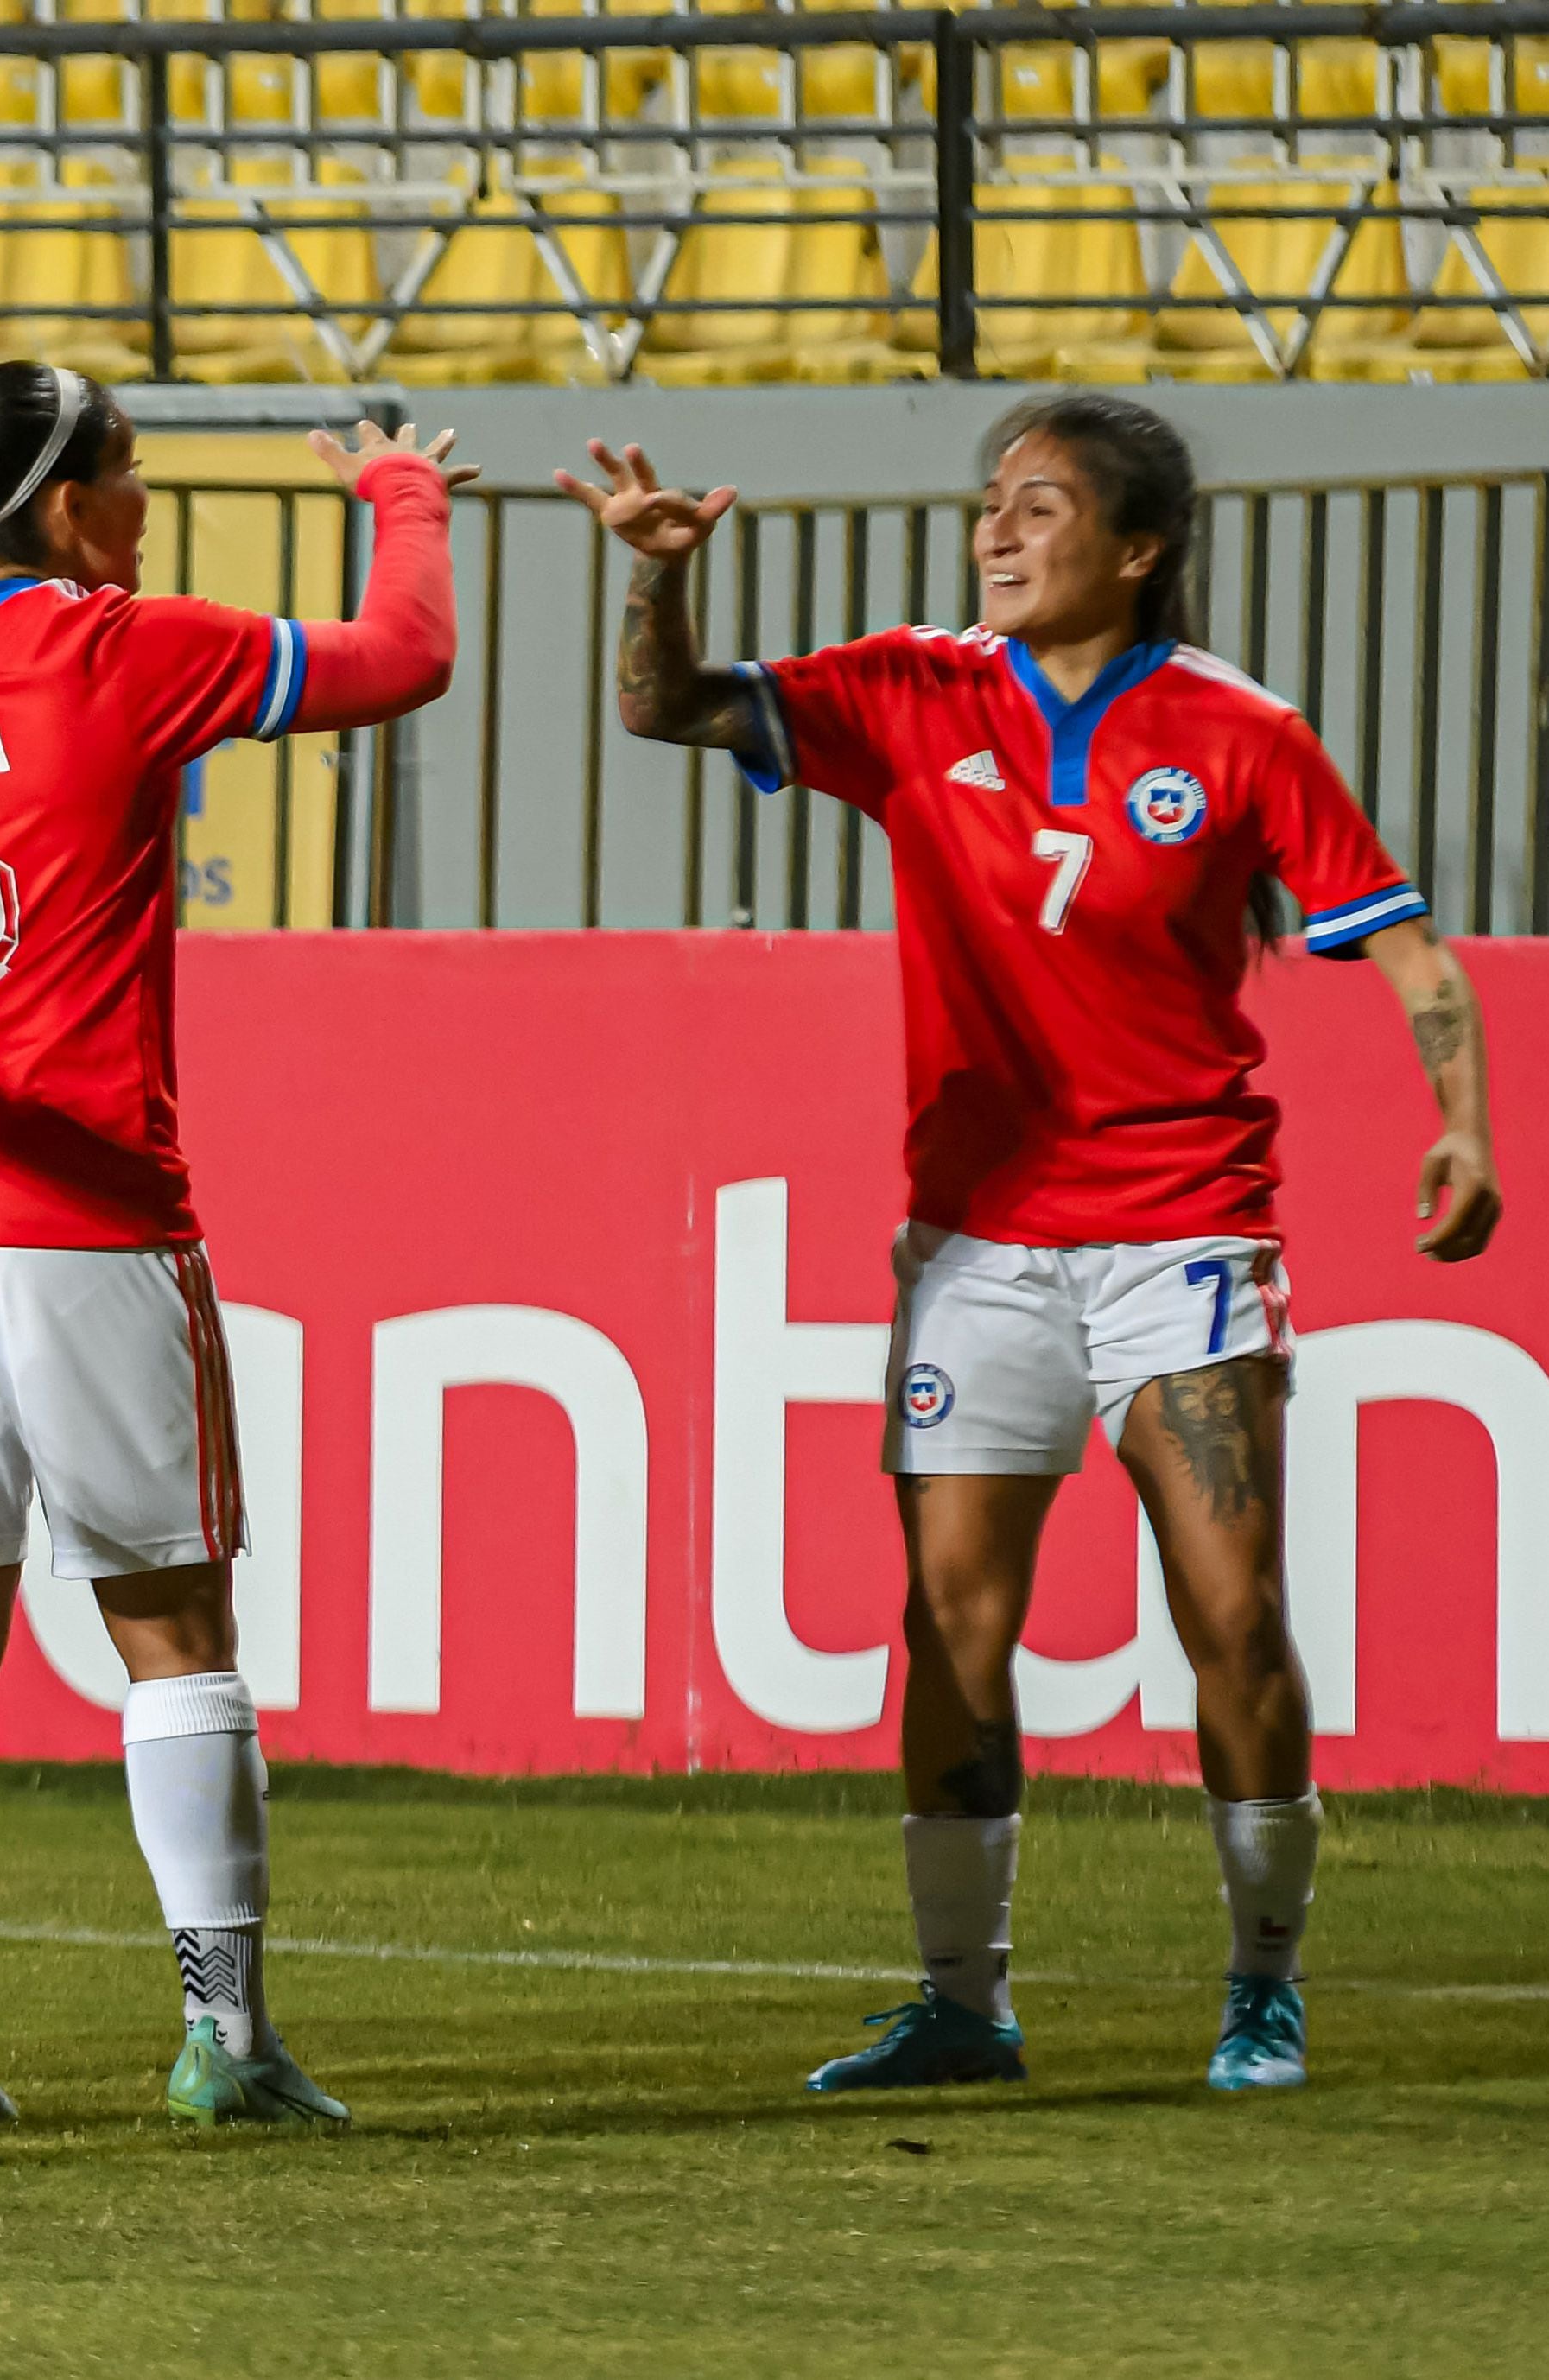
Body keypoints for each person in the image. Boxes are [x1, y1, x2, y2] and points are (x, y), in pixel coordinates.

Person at [563, 394, 1501, 2095]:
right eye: (990, 501)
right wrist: (654, 586)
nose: (997, 528)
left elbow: (1413, 951)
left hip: (1184, 1230)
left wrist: (1464, 1121)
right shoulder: (912, 692)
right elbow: (666, 710)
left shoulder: (1241, 734)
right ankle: (963, 2006)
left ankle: (1264, 1986)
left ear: (1138, 550)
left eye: (1041, 505)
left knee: (1234, 1614)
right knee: (949, 1626)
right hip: (978, 1243)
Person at [0, 365, 463, 2130]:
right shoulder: (116, 645)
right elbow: (405, 656)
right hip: (81, 1214)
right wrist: (406, 493)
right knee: (174, 1632)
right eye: (133, 476)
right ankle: (223, 2036)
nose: (145, 509)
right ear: (69, 506)